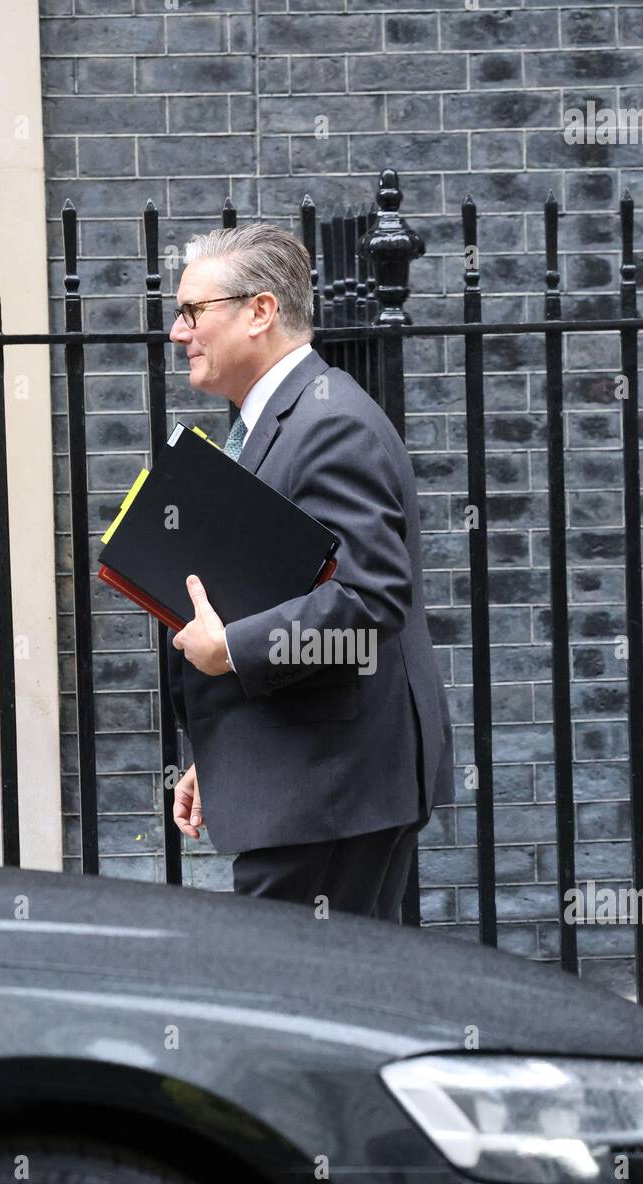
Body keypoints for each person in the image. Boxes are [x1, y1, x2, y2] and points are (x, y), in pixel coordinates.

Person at [165, 222, 453, 922]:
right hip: (309, 782)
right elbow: (295, 590)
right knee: (324, 1008)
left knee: (299, 1010)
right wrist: (231, 754)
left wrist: (228, 651)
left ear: (260, 312)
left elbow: (368, 599)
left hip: (332, 794)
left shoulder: (330, 424)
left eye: (193, 312)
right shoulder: (280, 421)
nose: (179, 333)